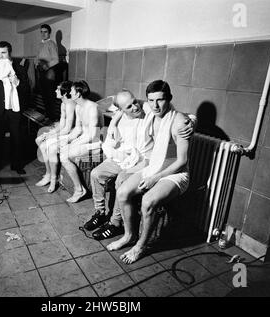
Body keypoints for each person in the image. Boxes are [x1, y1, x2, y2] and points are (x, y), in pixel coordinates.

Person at [86, 90, 195, 240]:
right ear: (121, 110)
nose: (135, 107)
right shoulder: (120, 116)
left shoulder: (148, 109)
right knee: (96, 174)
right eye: (129, 107)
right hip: (126, 157)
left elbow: (179, 115)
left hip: (144, 162)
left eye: (134, 102)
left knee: (121, 180)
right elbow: (101, 106)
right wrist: (114, 121)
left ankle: (115, 223)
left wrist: (192, 122)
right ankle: (100, 213)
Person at [107, 80, 192, 264]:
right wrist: (113, 124)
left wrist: (156, 178)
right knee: (122, 192)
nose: (155, 105)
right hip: (154, 166)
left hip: (175, 174)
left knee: (147, 201)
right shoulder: (148, 108)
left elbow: (182, 161)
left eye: (160, 100)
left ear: (169, 99)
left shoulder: (179, 122)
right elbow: (124, 106)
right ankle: (129, 235)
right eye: (151, 100)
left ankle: (140, 245)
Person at [0, 41, 30, 175]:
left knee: (16, 138)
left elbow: (26, 89)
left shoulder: (18, 67)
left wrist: (17, 82)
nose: (0, 56)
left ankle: (17, 165)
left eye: (3, 52)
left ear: (10, 52)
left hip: (14, 108)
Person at [58, 80, 102, 203]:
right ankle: (75, 186)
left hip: (96, 143)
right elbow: (78, 129)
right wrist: (68, 140)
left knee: (64, 155)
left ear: (77, 94)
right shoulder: (78, 107)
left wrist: (74, 144)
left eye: (71, 91)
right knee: (62, 147)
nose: (69, 93)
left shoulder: (93, 107)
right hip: (85, 139)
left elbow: (93, 135)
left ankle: (80, 190)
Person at [35, 81, 76, 192]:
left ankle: (53, 179)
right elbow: (62, 125)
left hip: (73, 134)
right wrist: (49, 134)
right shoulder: (63, 103)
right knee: (40, 141)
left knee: (49, 146)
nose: (55, 91)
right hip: (65, 131)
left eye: (58, 89)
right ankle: (48, 174)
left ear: (64, 92)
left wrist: (52, 136)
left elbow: (68, 128)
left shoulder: (70, 104)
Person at [35, 24, 60, 121]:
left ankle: (52, 117)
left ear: (49, 33)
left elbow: (56, 60)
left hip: (49, 72)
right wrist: (36, 63)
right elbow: (37, 57)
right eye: (41, 32)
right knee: (44, 94)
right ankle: (47, 115)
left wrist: (46, 66)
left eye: (45, 32)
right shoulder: (40, 44)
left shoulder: (51, 44)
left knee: (50, 95)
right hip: (41, 72)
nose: (43, 34)